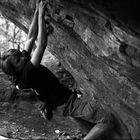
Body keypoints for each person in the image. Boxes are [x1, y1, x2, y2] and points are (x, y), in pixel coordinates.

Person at [1, 1, 120, 139]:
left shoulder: (21, 66)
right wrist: (40, 16)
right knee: (106, 121)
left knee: (91, 129)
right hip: (66, 102)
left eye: (20, 55)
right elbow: (41, 44)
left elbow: (31, 37)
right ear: (16, 70)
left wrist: (36, 12)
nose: (22, 57)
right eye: (18, 60)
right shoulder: (27, 73)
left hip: (58, 104)